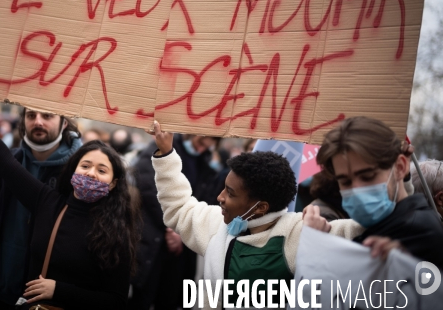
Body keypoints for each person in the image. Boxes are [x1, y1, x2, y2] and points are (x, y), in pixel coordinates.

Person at [0, 88, 139, 310]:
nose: (91, 174)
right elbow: (4, 162)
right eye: (85, 166)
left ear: (113, 183)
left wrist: (58, 290)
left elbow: (116, 300)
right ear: (72, 172)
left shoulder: (117, 231)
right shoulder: (48, 202)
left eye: (102, 170)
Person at [149, 121, 362, 309]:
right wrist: (166, 153)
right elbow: (178, 207)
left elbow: (368, 234)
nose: (220, 197)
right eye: (225, 188)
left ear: (261, 207)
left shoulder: (302, 232)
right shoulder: (217, 225)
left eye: (230, 193)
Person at [0, 102, 83, 310]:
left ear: (64, 123)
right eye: (31, 115)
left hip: (42, 302)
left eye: (47, 115)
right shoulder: (10, 161)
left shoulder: (76, 172)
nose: (37, 121)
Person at [314, 116, 443, 267]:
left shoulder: (417, 234)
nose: (356, 190)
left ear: (400, 168)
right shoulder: (384, 227)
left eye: (368, 176)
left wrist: (315, 245)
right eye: (345, 181)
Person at [129, 133, 221, 309]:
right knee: (143, 295)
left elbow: (205, 198)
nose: (201, 149)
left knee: (170, 295)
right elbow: (148, 185)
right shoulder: (163, 145)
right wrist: (173, 225)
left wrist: (183, 229)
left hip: (181, 242)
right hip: (154, 233)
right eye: (200, 143)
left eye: (206, 146)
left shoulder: (206, 163)